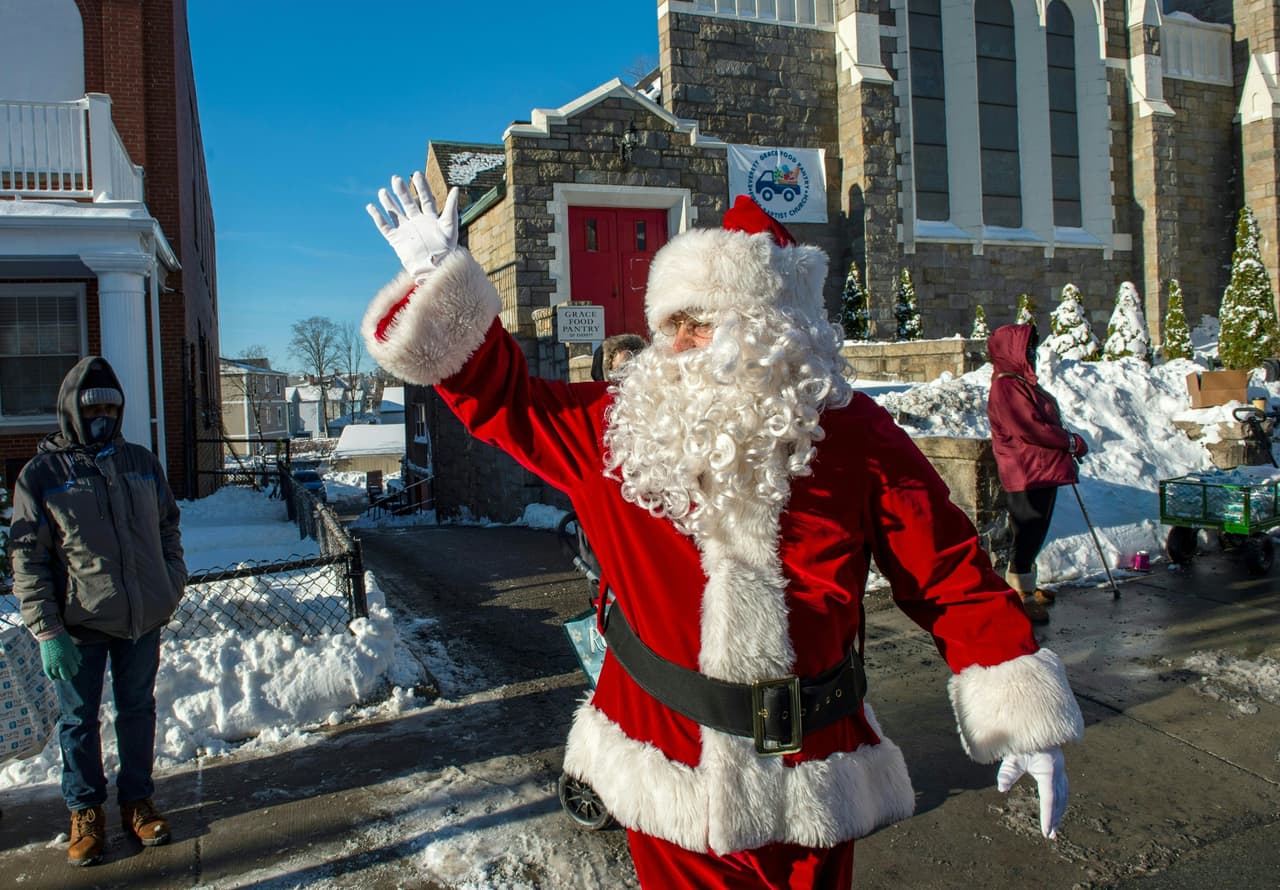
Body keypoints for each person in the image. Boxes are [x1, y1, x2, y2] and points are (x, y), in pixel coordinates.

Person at [363, 174, 1084, 888]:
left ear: (775, 328)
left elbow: (946, 572)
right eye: (670, 324)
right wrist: (441, 280)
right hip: (666, 769)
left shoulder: (856, 437)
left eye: (702, 321)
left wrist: (1023, 712)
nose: (678, 343)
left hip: (817, 775)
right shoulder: (614, 426)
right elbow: (501, 396)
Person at [8, 357, 186, 867]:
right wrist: (47, 632)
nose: (103, 415)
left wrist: (170, 583)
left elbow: (169, 525)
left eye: (111, 406)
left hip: (141, 620)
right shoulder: (42, 475)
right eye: (92, 409)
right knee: (79, 719)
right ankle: (84, 810)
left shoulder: (141, 463)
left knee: (138, 711)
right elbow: (27, 558)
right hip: (79, 627)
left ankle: (137, 800)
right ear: (71, 412)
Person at [986, 324, 1090, 624]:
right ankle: (1021, 595)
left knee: (1036, 532)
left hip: (1040, 469)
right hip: (1027, 471)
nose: (1033, 354)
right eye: (1027, 348)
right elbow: (1029, 428)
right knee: (1027, 532)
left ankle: (1026, 586)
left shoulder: (1020, 383)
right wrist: (1069, 441)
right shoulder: (1007, 386)